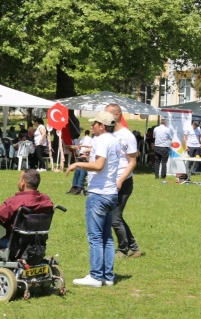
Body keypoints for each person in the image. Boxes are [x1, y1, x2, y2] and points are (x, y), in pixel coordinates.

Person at [65, 111, 120, 287]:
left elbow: (99, 165)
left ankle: (96, 276)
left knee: (95, 237)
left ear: (102, 126)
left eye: (94, 123)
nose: (91, 126)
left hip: (99, 194)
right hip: (111, 193)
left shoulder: (102, 140)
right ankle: (108, 276)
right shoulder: (114, 140)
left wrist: (77, 163)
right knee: (107, 237)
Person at [0, 169, 53, 248]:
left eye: (19, 179)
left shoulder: (16, 201)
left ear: (23, 183)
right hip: (36, 243)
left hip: (14, 244)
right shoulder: (46, 200)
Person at [105, 104, 141, 259]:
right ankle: (134, 248)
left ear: (117, 115)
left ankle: (123, 249)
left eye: (107, 115)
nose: (104, 118)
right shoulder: (109, 134)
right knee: (115, 216)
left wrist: (120, 179)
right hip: (111, 181)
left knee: (114, 217)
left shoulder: (127, 136)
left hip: (124, 182)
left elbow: (132, 162)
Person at [67, 128, 93, 195]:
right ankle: (74, 186)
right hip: (88, 163)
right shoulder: (92, 139)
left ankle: (79, 187)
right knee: (78, 169)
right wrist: (85, 155)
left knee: (82, 170)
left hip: (93, 165)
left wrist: (87, 155)